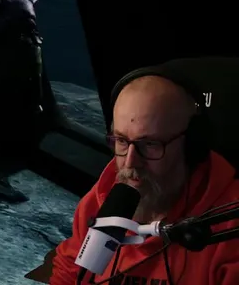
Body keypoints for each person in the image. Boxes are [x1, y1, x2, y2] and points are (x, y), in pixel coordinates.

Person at [49, 71, 239, 284]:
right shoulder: (102, 198)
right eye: (122, 141)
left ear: (191, 147)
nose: (130, 163)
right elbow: (70, 271)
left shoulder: (230, 228)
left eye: (149, 144)